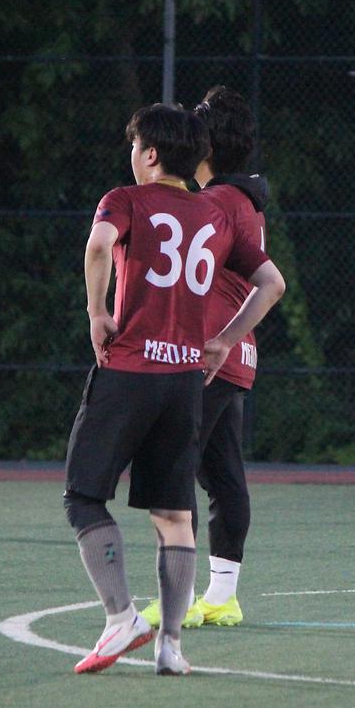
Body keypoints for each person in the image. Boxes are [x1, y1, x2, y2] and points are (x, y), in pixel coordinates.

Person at [64, 103, 285, 676]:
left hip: (131, 369)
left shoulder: (126, 199)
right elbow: (271, 282)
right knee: (173, 512)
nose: (132, 156)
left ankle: (120, 617)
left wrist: (96, 312)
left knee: (84, 496)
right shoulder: (215, 213)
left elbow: (98, 245)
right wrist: (225, 340)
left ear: (152, 154)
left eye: (135, 147)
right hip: (186, 379)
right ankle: (171, 647)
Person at [139, 86, 267, 629]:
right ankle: (222, 596)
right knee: (222, 473)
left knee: (173, 470)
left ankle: (181, 597)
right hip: (235, 354)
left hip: (208, 352)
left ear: (206, 146)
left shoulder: (213, 203)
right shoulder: (243, 199)